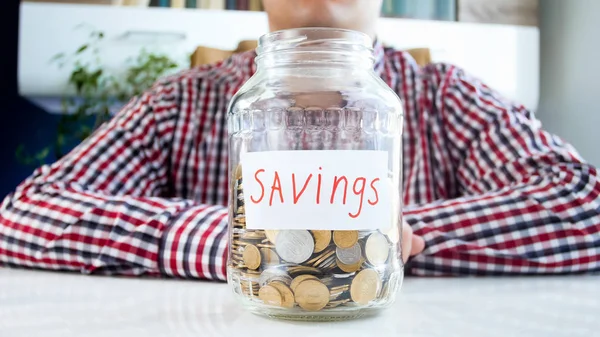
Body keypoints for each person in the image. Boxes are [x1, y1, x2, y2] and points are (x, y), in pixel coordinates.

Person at [1, 0, 599, 280]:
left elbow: (583, 202)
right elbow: (25, 213)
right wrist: (239, 242)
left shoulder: (445, 96)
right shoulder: (177, 102)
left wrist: (383, 241)